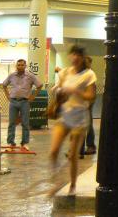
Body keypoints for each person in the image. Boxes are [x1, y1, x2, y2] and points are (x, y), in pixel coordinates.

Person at [49, 45, 96, 196]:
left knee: (73, 155)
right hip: (64, 115)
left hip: (79, 118)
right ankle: (56, 182)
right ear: (70, 56)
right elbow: (60, 92)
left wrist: (76, 91)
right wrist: (55, 101)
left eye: (78, 55)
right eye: (73, 55)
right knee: (54, 150)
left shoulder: (89, 74)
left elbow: (91, 96)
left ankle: (73, 185)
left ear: (82, 58)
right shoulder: (65, 73)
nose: (75, 58)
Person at [2, 59, 43, 150]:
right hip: (13, 102)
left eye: (22, 65)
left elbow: (40, 85)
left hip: (25, 102)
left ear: (25, 66)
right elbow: (4, 85)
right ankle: (11, 143)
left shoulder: (30, 76)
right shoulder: (12, 75)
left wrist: (33, 96)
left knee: (25, 123)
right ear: (16, 66)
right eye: (18, 65)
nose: (20, 67)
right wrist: (8, 96)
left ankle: (25, 143)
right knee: (12, 123)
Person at [79, 56, 97, 157]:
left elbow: (92, 91)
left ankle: (91, 146)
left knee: (88, 124)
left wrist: (89, 103)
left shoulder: (90, 74)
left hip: (88, 102)